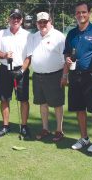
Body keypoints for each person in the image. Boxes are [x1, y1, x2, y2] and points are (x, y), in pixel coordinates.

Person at [62, 1, 92, 152]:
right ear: (75, 14)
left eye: (83, 12)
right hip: (75, 75)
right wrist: (67, 61)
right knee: (79, 108)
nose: (80, 15)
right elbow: (67, 53)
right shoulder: (71, 33)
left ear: (89, 13)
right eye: (78, 12)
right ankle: (84, 138)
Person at [26, 12, 65, 142]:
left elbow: (66, 58)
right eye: (40, 22)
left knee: (57, 104)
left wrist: (65, 75)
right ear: (36, 24)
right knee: (42, 103)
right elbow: (30, 55)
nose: (42, 24)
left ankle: (59, 130)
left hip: (55, 75)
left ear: (50, 21)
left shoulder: (59, 36)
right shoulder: (34, 37)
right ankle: (45, 128)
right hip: (38, 76)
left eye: (45, 22)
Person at [0, 9, 31, 138]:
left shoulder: (27, 35)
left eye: (18, 18)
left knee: (23, 99)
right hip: (5, 69)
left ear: (21, 20)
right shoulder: (1, 34)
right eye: (13, 18)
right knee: (4, 99)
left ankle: (24, 126)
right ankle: (5, 126)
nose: (15, 20)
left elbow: (29, 56)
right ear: (8, 19)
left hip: (21, 70)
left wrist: (21, 71)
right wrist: (4, 55)